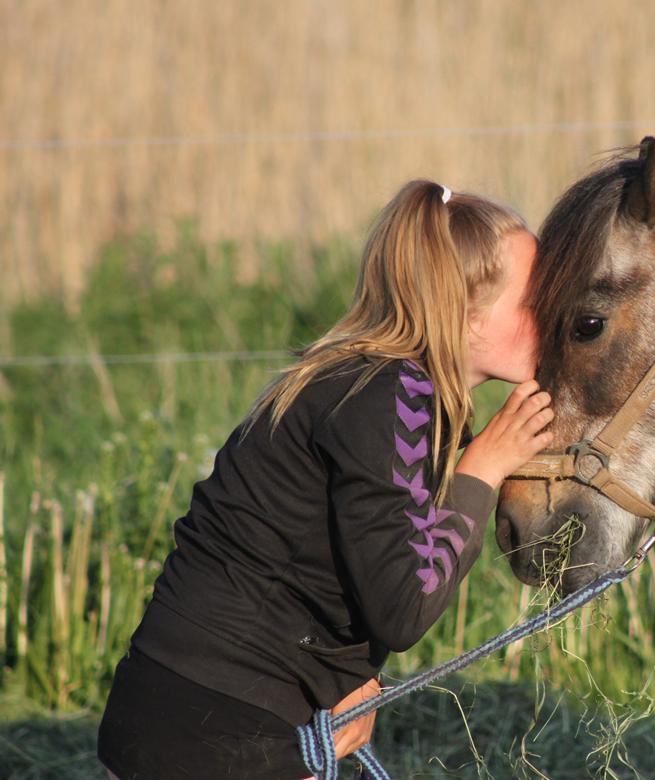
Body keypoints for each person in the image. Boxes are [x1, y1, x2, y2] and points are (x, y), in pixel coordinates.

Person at [97, 180, 552, 779]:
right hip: (221, 725)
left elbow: (342, 557)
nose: (551, 314)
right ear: (465, 315)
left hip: (194, 705)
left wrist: (354, 673)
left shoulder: (371, 382)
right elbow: (403, 607)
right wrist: (485, 467)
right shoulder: (394, 397)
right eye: (532, 299)